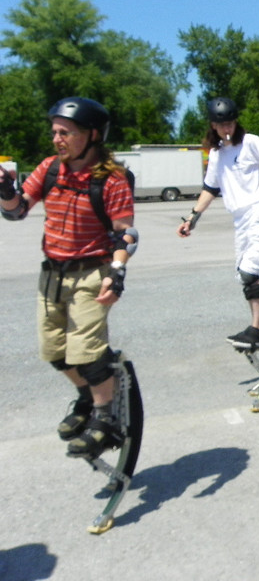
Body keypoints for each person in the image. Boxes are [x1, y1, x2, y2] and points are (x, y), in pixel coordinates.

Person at [0, 97, 137, 458]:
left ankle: (105, 419)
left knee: (87, 354)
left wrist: (117, 274)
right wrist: (6, 192)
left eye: (65, 133)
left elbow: (125, 234)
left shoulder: (111, 179)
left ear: (91, 135)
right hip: (52, 275)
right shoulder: (49, 169)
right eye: (54, 132)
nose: (56, 139)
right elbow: (16, 212)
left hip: (92, 273)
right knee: (54, 352)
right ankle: (87, 397)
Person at [176, 97, 259, 350]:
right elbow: (210, 188)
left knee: (250, 271)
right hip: (240, 220)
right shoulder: (216, 153)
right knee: (245, 277)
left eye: (230, 123)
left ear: (235, 122)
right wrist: (192, 218)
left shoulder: (250, 142)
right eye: (222, 125)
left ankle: (257, 331)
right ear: (213, 126)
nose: (227, 129)